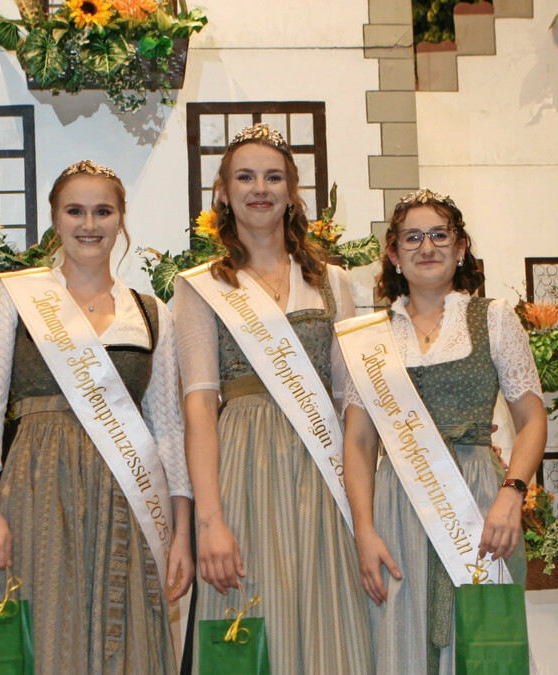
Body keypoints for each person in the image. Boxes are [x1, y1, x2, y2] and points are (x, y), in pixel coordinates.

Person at [0, 160, 194, 674]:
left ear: (121, 219)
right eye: (75, 211)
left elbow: (169, 430)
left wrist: (181, 532)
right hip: (38, 492)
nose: (89, 225)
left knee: (131, 635)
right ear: (55, 218)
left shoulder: (154, 312)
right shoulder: (14, 298)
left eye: (103, 211)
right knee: (44, 637)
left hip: (131, 499)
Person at [172, 123, 372, 673]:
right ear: (223, 193)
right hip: (242, 468)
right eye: (245, 176)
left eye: (273, 177)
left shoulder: (334, 282)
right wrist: (208, 522)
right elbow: (197, 411)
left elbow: (353, 403)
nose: (259, 188)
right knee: (250, 618)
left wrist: (365, 512)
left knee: (331, 619)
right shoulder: (199, 287)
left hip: (322, 470)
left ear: (292, 193)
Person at [342, 188, 547, 674]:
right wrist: (364, 531)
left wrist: (512, 494)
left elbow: (533, 420)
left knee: (487, 643)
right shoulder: (369, 336)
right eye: (412, 238)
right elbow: (358, 441)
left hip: (480, 505)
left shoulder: (493, 318)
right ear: (393, 254)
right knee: (399, 641)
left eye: (439, 235)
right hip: (397, 507)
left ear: (460, 248)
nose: (426, 247)